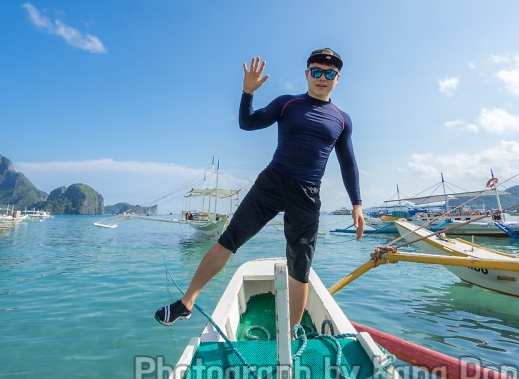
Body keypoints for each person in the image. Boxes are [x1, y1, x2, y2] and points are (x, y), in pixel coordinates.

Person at [155, 48, 364, 327]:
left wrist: (357, 203)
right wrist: (247, 93)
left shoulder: (342, 119)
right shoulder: (287, 104)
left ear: (338, 78)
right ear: (306, 74)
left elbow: (348, 163)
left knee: (300, 268)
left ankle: (289, 336)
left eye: (329, 73)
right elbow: (247, 123)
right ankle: (186, 303)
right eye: (316, 71)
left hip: (307, 194)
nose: (321, 77)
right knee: (229, 240)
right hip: (272, 182)